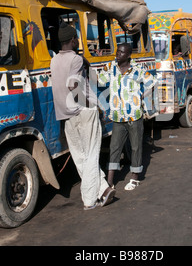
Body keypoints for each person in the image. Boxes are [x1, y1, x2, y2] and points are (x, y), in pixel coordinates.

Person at [50, 22, 115, 210]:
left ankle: (102, 188)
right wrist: (91, 104)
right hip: (84, 111)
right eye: (77, 38)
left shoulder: (54, 60)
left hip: (66, 114)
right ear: (72, 40)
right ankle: (90, 200)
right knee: (92, 154)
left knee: (81, 157)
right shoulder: (76, 60)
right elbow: (73, 85)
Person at [98, 43, 157, 191]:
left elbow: (152, 83)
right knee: (114, 148)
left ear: (129, 55)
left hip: (134, 116)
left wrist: (143, 97)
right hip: (117, 116)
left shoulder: (137, 69)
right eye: (117, 51)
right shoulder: (111, 67)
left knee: (136, 147)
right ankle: (110, 181)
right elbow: (99, 80)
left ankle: (135, 177)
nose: (118, 54)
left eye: (122, 52)